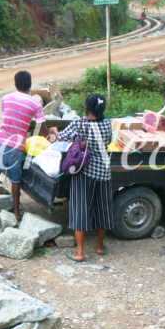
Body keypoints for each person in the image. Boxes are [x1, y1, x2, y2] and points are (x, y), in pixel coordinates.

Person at [52, 94, 113, 262]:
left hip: (84, 172)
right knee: (102, 210)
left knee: (80, 210)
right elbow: (108, 141)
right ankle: (99, 247)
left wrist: (54, 131)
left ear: (87, 108)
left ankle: (79, 253)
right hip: (104, 172)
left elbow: (61, 137)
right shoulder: (108, 124)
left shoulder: (80, 124)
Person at [0, 70, 47, 220]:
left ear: (15, 84)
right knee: (16, 180)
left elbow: (9, 117)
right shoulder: (35, 104)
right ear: (30, 84)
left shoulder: (6, 98)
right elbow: (42, 127)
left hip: (0, 143)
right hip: (17, 148)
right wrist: (49, 134)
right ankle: (16, 212)